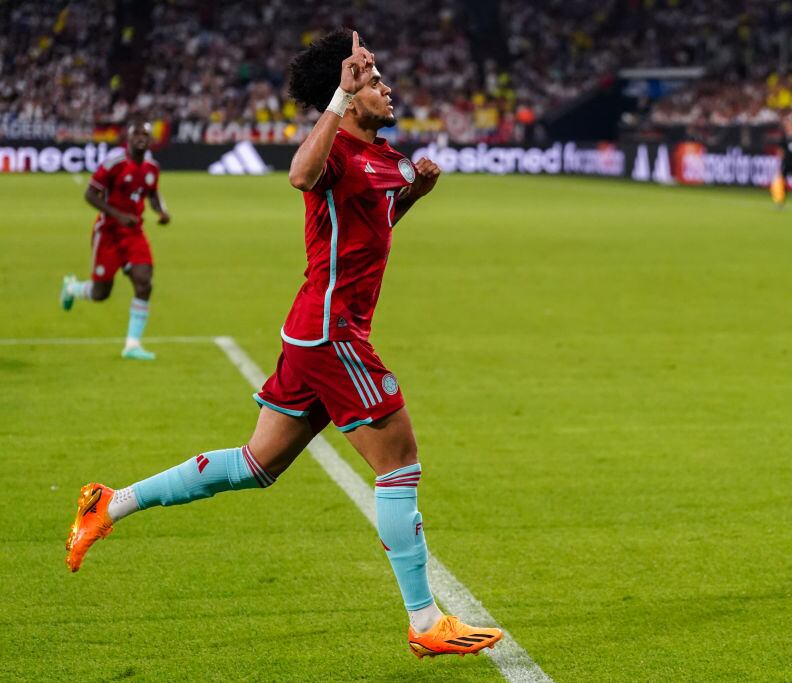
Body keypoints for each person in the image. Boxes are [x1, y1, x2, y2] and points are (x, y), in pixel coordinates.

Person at [64, 29, 503, 660]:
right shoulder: (336, 152)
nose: (386, 87)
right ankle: (425, 619)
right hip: (332, 332)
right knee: (399, 463)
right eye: (374, 79)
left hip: (314, 332)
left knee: (255, 464)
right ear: (348, 94)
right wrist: (338, 96)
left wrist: (411, 196)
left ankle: (111, 502)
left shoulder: (382, 156)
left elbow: (366, 235)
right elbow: (300, 174)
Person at [60, 120, 171, 360]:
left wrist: (161, 211)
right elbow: (90, 194)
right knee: (101, 293)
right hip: (108, 232)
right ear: (128, 139)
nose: (141, 137)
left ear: (151, 140)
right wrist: (118, 215)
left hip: (134, 233)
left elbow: (151, 193)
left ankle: (132, 344)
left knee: (144, 282)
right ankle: (71, 288)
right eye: (137, 134)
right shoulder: (114, 164)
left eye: (146, 134)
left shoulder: (152, 167)